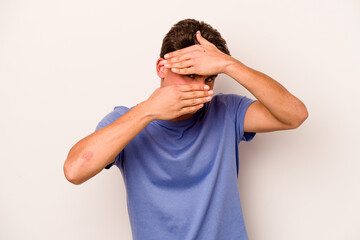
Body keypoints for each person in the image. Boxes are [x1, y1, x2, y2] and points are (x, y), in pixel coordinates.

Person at [63, 19, 308, 240]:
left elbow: (295, 115)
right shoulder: (125, 120)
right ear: (161, 68)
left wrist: (230, 65)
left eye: (209, 78)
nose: (201, 89)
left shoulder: (227, 110)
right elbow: (75, 171)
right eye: (190, 75)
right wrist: (149, 110)